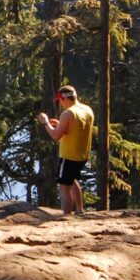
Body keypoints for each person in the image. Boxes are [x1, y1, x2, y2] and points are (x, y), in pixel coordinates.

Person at [37, 84, 96, 215]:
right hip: (82, 154)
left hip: (69, 155)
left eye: (60, 101)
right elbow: (76, 129)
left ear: (64, 98)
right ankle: (79, 209)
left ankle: (67, 216)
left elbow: (55, 136)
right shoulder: (87, 110)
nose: (60, 104)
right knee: (72, 179)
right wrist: (61, 125)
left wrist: (45, 122)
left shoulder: (68, 113)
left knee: (64, 187)